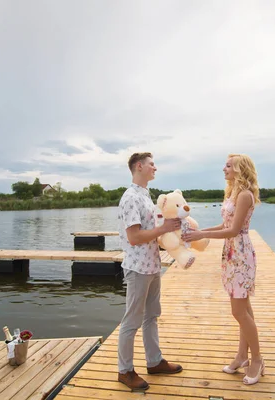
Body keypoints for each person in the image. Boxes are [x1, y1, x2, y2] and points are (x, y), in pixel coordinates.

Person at [182, 153, 264, 385]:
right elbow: (224, 226)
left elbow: (234, 230)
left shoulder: (246, 195)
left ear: (240, 169)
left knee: (239, 312)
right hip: (231, 254)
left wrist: (202, 235)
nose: (224, 169)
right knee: (244, 309)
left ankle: (257, 359)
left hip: (240, 255)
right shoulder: (232, 193)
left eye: (228, 166)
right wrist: (197, 232)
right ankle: (241, 356)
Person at [116, 152, 183, 391]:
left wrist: (171, 231)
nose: (155, 167)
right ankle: (125, 371)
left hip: (152, 265)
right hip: (137, 267)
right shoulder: (130, 197)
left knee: (151, 315)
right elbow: (134, 237)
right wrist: (163, 228)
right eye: (151, 164)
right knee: (131, 321)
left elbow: (153, 231)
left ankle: (154, 362)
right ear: (139, 166)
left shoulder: (146, 195)